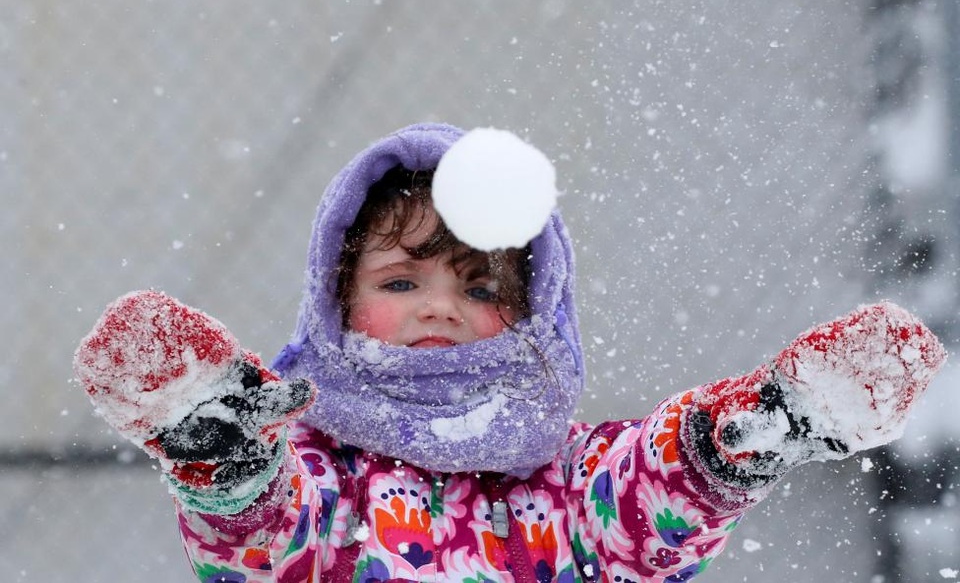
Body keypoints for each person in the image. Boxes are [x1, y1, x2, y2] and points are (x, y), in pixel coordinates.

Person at [74, 122, 946, 582]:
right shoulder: (313, 467)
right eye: (402, 282)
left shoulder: (559, 476)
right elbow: (267, 542)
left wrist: (732, 440)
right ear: (336, 298)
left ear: (534, 317)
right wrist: (228, 463)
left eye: (482, 290)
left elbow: (637, 502)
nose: (440, 308)